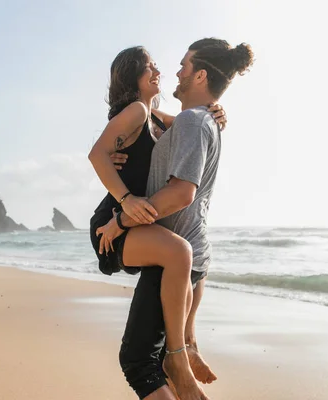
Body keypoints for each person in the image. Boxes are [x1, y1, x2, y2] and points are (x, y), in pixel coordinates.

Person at [96, 38, 254, 399]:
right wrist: (122, 204)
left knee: (141, 363)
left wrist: (123, 216)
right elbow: (99, 154)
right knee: (149, 362)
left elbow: (182, 189)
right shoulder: (161, 118)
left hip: (154, 237)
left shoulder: (184, 122)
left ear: (200, 75)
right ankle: (184, 351)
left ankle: (182, 353)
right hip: (146, 233)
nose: (170, 71)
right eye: (151, 67)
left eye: (184, 65)